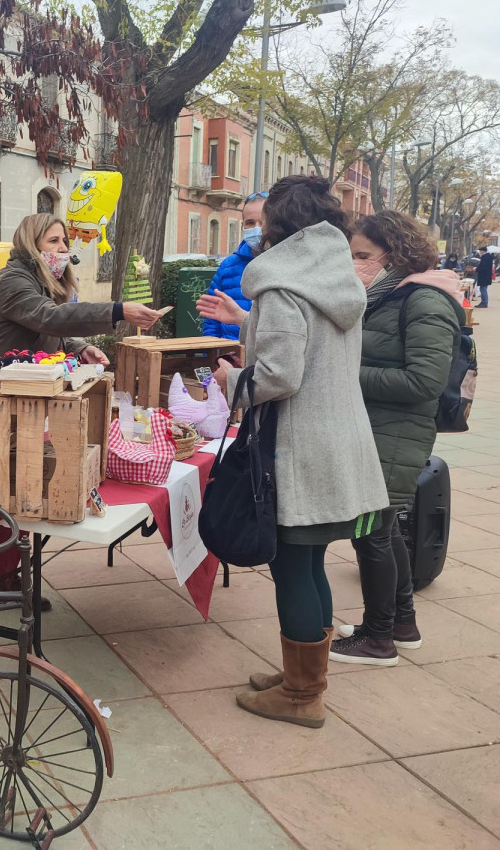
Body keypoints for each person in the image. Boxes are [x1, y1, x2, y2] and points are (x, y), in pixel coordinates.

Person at [196, 175, 388, 728]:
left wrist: (234, 379)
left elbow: (279, 375)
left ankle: (303, 696)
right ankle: (303, 676)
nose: (252, 231)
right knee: (310, 564)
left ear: (278, 227)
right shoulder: (334, 279)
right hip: (338, 446)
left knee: (292, 570)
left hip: (300, 451)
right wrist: (248, 325)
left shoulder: (281, 285)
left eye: (258, 221)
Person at [0, 213, 166, 596]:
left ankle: (6, 582)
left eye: (65, 241)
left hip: (29, 406)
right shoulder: (14, 281)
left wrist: (81, 347)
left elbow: (51, 335)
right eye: (53, 241)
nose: (63, 248)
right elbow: (48, 318)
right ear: (31, 244)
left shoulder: (42, 283)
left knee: (23, 490)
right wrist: (116, 311)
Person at [325, 211, 464, 665]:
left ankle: (378, 639)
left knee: (372, 537)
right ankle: (399, 624)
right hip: (379, 432)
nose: (355, 264)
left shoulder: (425, 300)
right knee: (383, 532)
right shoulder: (391, 295)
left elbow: (424, 381)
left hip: (395, 437)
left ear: (395, 253)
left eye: (362, 255)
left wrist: (346, 374)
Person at [202, 191, 267, 340]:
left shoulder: (285, 265)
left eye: (262, 222)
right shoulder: (227, 267)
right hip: (229, 358)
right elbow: (211, 321)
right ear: (242, 225)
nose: (256, 228)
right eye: (250, 223)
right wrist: (216, 358)